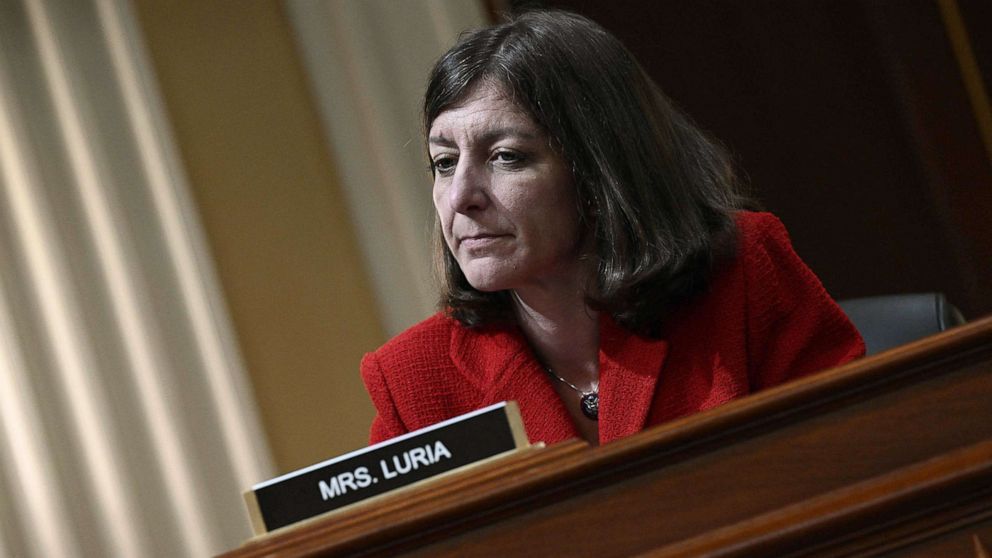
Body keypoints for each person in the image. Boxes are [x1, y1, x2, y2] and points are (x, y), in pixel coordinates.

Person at [360, 9, 864, 447]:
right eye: (444, 163)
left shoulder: (744, 276)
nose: (460, 197)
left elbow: (863, 451)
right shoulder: (412, 379)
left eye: (507, 157)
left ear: (599, 169)